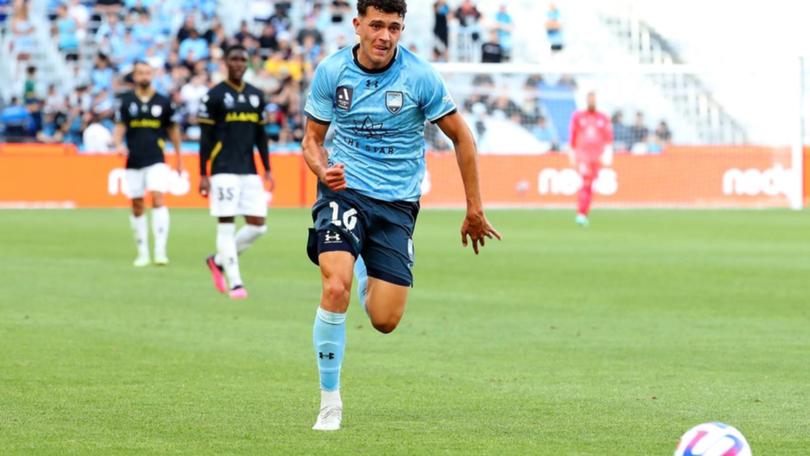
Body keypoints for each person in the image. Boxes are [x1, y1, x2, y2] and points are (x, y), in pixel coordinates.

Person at [302, 0, 500, 431]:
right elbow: (312, 140)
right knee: (332, 285)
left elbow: (462, 138)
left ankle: (362, 267)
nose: (384, 36)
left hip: (396, 204)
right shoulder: (332, 72)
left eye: (394, 27)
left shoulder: (419, 76)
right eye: (376, 25)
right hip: (345, 191)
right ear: (357, 25)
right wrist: (322, 170)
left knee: (385, 320)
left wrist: (474, 208)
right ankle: (330, 402)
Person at [198, 44, 274, 300]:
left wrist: (267, 169)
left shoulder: (256, 96)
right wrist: (203, 173)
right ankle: (235, 282)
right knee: (226, 224)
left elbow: (261, 136)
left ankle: (217, 260)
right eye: (234, 59)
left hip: (249, 170)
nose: (239, 64)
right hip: (222, 169)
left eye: (243, 60)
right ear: (226, 63)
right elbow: (205, 138)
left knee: (258, 226)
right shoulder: (214, 96)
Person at [112, 61, 183, 266]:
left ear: (152, 75)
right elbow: (119, 127)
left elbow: (173, 131)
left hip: (156, 158)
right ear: (134, 77)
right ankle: (142, 252)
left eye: (148, 73)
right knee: (137, 204)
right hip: (134, 159)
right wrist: (117, 145)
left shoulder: (163, 101)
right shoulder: (126, 101)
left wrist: (179, 158)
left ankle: (160, 250)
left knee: (158, 197)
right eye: (141, 73)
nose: (144, 76)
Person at [568, 91, 612, 227]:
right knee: (586, 183)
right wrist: (572, 152)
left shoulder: (602, 117)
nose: (591, 101)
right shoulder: (578, 116)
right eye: (589, 98)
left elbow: (608, 137)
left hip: (596, 157)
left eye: (593, 98)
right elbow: (573, 135)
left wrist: (608, 153)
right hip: (583, 156)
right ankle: (581, 214)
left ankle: (583, 213)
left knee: (591, 185)